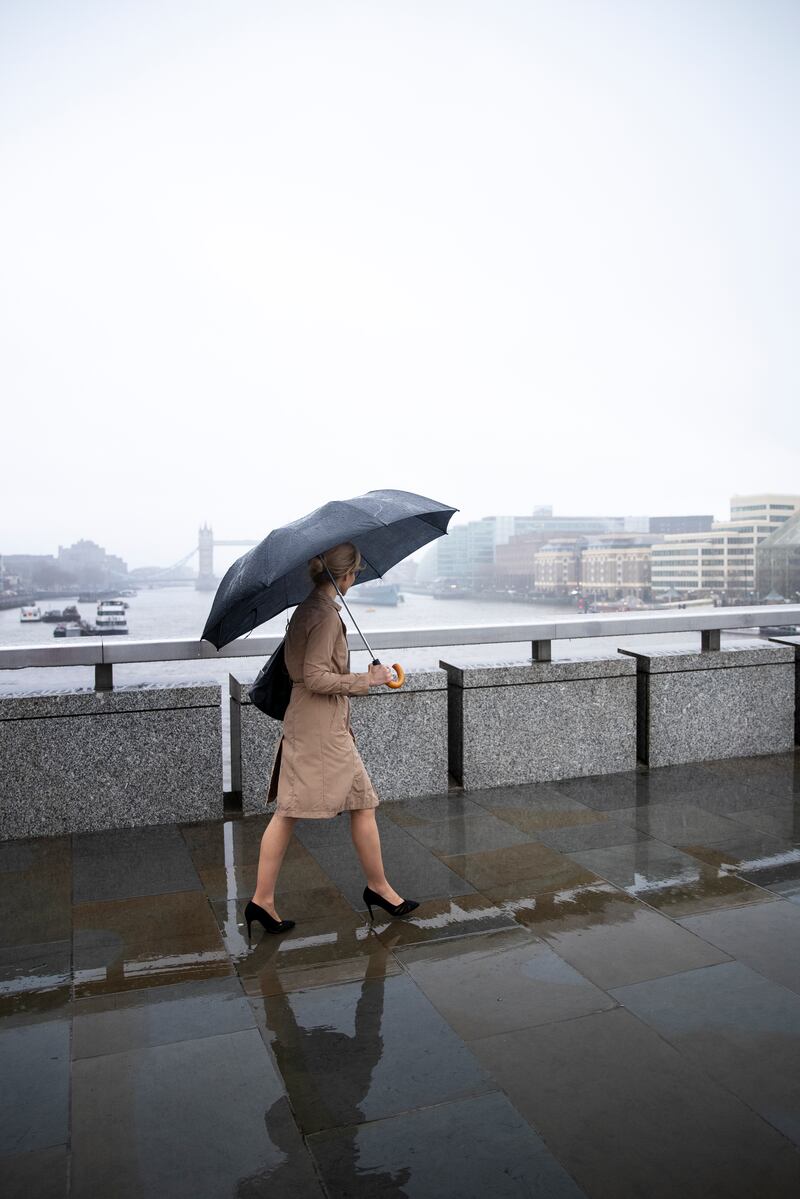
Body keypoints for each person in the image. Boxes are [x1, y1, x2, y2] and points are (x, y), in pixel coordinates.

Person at [244, 540, 419, 937]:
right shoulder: (322, 616)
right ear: (346, 575)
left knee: (361, 800)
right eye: (354, 573)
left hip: (320, 724)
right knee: (291, 809)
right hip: (319, 728)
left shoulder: (308, 609)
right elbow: (317, 676)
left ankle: (378, 888)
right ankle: (263, 900)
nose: (354, 578)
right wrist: (367, 679)